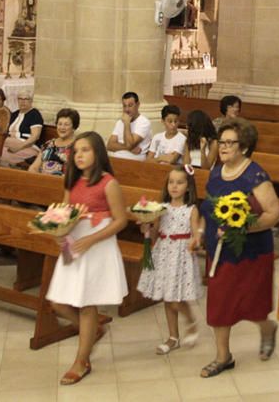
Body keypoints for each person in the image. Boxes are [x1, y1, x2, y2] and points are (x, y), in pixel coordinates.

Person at [198, 118, 279, 378]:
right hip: (220, 250)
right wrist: (200, 232)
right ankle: (224, 357)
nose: (223, 148)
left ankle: (267, 328)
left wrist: (242, 228)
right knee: (220, 303)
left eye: (229, 143)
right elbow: (207, 208)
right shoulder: (215, 171)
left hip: (252, 251)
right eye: (220, 142)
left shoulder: (255, 175)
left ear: (243, 147)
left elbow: (274, 214)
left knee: (252, 304)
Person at [46, 132, 128, 385]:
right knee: (58, 302)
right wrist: (59, 234)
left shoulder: (108, 182)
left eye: (85, 150)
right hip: (75, 244)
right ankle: (92, 331)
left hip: (97, 244)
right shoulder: (71, 181)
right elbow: (65, 214)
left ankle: (81, 361)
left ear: (98, 153)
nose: (79, 155)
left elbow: (121, 220)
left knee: (87, 304)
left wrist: (92, 239)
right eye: (76, 151)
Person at [136, 165, 203, 354]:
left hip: (181, 255)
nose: (174, 186)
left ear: (188, 187)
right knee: (167, 297)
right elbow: (155, 231)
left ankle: (190, 320)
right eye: (171, 182)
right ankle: (173, 337)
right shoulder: (161, 208)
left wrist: (195, 240)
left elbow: (195, 231)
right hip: (163, 252)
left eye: (180, 182)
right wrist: (146, 227)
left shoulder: (191, 209)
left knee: (176, 299)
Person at [0, 90, 44, 168]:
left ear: (31, 101)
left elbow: (35, 136)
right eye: (20, 99)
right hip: (10, 144)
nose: (23, 101)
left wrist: (19, 146)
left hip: (27, 146)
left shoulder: (34, 114)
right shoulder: (14, 114)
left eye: (26, 99)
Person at [29, 108, 80, 176]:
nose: (62, 127)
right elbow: (34, 167)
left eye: (66, 124)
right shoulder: (48, 144)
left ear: (74, 127)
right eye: (60, 124)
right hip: (41, 181)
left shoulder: (77, 146)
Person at [107, 92, 152, 161]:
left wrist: (127, 123)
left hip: (133, 160)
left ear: (138, 105)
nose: (126, 109)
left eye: (130, 105)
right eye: (124, 106)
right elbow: (110, 145)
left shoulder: (144, 122)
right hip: (115, 158)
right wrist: (129, 148)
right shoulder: (120, 122)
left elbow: (129, 144)